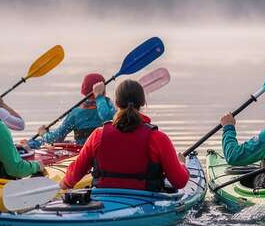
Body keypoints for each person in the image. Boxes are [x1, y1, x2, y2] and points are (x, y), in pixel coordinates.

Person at [58, 79, 190, 191]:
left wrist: (60, 188)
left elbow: (71, 178)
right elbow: (179, 182)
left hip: (102, 203)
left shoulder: (98, 135)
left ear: (116, 103)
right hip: (146, 204)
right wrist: (182, 164)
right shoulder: (158, 138)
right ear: (143, 103)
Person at [42, 72, 116, 144]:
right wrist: (99, 97)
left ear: (83, 91)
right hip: (107, 149)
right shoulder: (111, 107)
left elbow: (56, 138)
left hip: (84, 152)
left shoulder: (75, 114)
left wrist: (44, 134)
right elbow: (110, 118)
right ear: (104, 91)